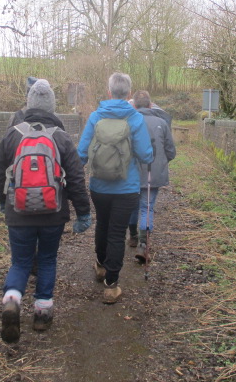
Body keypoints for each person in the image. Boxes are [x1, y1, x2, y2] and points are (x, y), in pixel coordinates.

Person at [0, 79, 92, 343]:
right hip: (52, 212)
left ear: (29, 104)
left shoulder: (13, 133)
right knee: (47, 259)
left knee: (21, 261)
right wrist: (83, 213)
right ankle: (42, 314)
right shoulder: (60, 137)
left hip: (18, 211)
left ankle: (12, 299)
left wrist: (3, 200)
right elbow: (77, 179)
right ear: (52, 107)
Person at [77, 73, 153, 304]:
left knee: (102, 224)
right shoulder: (135, 118)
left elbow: (81, 152)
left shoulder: (95, 116)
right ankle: (111, 286)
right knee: (117, 233)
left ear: (109, 92)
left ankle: (100, 266)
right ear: (129, 94)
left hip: (99, 186)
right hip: (126, 188)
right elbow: (146, 154)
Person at [127, 90, 176, 261]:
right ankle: (143, 244)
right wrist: (160, 163)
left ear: (134, 105)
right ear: (150, 105)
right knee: (146, 207)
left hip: (132, 173)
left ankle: (133, 236)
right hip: (152, 174)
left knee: (133, 206)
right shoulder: (161, 123)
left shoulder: (129, 122)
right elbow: (171, 151)